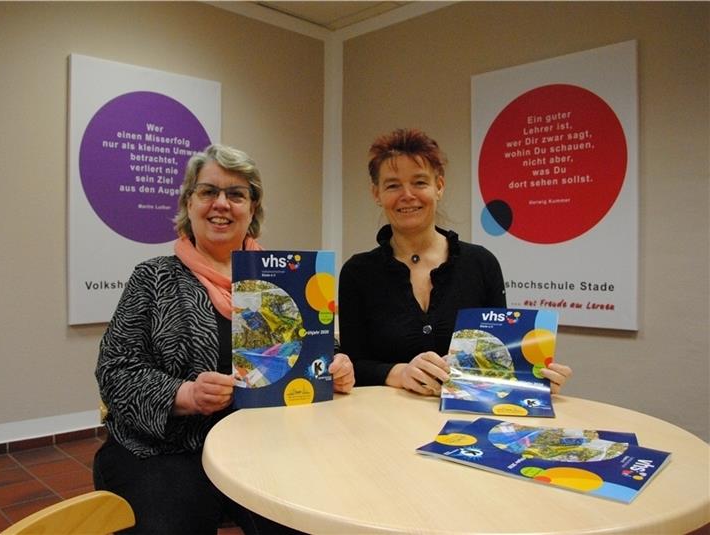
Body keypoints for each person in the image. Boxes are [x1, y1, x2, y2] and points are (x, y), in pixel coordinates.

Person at [93, 143, 355, 535]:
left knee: (308, 520)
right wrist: (186, 395)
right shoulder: (153, 278)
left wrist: (336, 366)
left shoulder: (280, 277)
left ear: (252, 209)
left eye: (236, 194)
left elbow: (313, 349)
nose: (221, 203)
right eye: (208, 191)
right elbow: (115, 372)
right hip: (166, 449)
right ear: (189, 204)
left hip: (264, 443)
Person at [337, 128, 571, 396]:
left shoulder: (481, 264)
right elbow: (352, 366)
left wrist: (534, 377)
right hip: (386, 424)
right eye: (392, 185)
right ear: (376, 193)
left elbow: (498, 356)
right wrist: (399, 373)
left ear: (439, 186)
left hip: (467, 423)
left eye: (420, 182)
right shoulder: (358, 273)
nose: (407, 195)